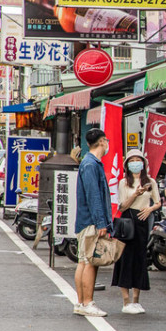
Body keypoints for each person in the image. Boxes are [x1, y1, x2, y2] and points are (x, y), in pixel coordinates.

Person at [111, 149, 161, 314]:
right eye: (131, 160)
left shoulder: (151, 182)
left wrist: (150, 209)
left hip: (142, 221)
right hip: (127, 221)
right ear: (127, 165)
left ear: (144, 163)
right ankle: (126, 301)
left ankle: (136, 300)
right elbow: (122, 206)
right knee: (125, 259)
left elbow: (158, 202)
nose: (135, 163)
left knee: (140, 259)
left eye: (137, 160)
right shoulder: (123, 182)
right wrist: (136, 194)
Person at [73, 128, 113, 317]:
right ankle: (87, 302)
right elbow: (94, 196)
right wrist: (101, 222)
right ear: (103, 141)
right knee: (89, 261)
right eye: (107, 141)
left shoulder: (89, 163)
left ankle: (81, 303)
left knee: (84, 260)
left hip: (87, 220)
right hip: (91, 221)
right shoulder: (91, 164)